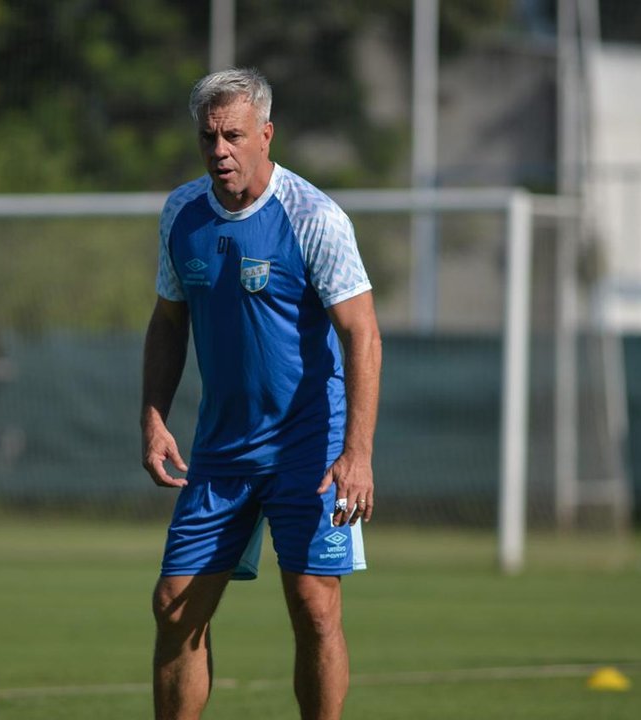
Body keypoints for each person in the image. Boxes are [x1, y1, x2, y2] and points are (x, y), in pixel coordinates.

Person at [140, 67, 382, 720]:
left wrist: (356, 454)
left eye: (233, 135)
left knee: (314, 605)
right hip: (220, 450)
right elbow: (168, 321)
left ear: (266, 134)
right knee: (174, 605)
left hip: (311, 445)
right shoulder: (181, 214)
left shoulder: (314, 217)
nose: (219, 149)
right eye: (208, 136)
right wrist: (155, 417)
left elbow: (362, 334)